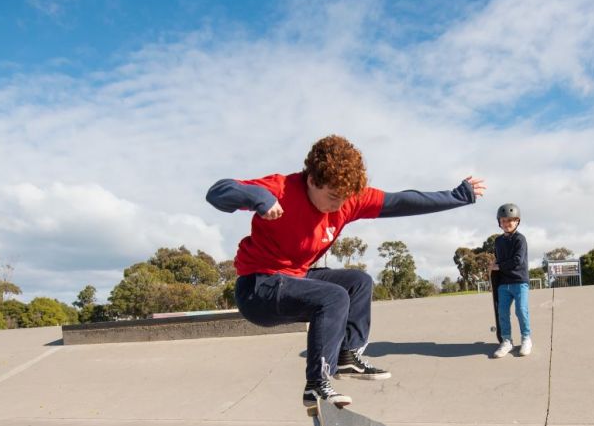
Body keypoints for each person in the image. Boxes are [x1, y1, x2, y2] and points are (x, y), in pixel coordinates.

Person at [206, 134, 486, 406]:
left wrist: (458, 196)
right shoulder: (281, 189)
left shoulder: (348, 201)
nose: (338, 206)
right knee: (334, 297)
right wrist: (259, 198)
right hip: (258, 289)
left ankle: (346, 355)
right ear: (312, 180)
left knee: (358, 282)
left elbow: (401, 201)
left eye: (344, 198)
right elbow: (218, 192)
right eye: (332, 197)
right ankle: (317, 385)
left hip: (294, 279)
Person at [491, 203, 532, 358]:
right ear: (499, 222)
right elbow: (498, 260)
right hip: (503, 283)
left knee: (521, 310)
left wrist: (499, 266)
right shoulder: (498, 241)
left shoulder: (520, 239)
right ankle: (506, 341)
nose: (506, 224)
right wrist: (495, 267)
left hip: (520, 282)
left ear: (517, 221)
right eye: (503, 221)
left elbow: (517, 260)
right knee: (502, 312)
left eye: (510, 220)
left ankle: (526, 339)